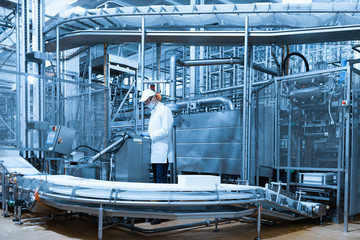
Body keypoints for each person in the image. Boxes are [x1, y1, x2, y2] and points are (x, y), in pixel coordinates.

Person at [139, 89, 174, 184]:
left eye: (147, 101)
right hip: (155, 152)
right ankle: (159, 198)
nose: (146, 104)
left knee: (160, 181)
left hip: (163, 152)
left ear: (154, 98)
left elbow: (166, 130)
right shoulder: (154, 112)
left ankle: (162, 199)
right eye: (145, 102)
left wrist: (150, 135)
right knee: (156, 180)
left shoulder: (165, 110)